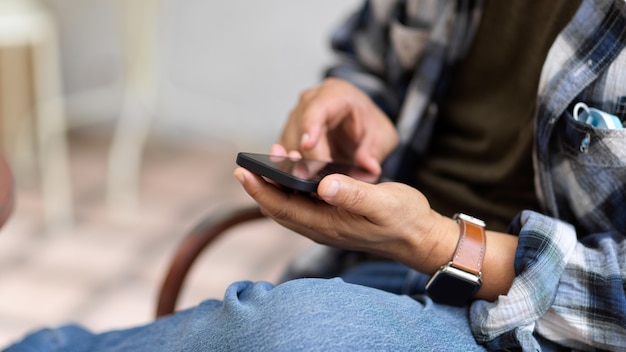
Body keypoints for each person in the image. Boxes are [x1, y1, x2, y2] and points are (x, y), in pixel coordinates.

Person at [4, 0, 626, 351]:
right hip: (376, 262)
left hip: (544, 325)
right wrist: (364, 108)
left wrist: (440, 243)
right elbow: (369, 54)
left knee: (299, 330)